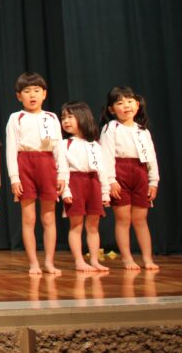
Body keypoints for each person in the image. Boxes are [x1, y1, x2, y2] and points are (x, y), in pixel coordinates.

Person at [5, 73, 68, 275]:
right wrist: (14, 177)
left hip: (47, 164)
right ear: (19, 96)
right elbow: (11, 149)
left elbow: (59, 148)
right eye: (27, 91)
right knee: (28, 218)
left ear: (44, 94)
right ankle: (33, 262)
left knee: (48, 217)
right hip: (25, 163)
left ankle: (49, 261)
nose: (32, 95)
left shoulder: (52, 117)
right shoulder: (16, 118)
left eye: (36, 90)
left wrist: (62, 174)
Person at [100, 86, 159, 271]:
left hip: (140, 173)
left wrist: (153, 181)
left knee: (141, 219)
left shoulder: (143, 131)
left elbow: (151, 157)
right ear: (111, 109)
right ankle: (126, 258)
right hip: (120, 172)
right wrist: (111, 180)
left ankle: (147, 258)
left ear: (137, 104)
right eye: (120, 103)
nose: (126, 106)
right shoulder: (111, 128)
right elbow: (106, 155)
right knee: (123, 218)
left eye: (129, 101)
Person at [60, 101, 110, 273]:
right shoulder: (64, 144)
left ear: (82, 117)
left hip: (94, 182)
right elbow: (62, 169)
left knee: (93, 224)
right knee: (76, 224)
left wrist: (105, 192)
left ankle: (94, 260)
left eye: (70, 117)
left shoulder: (95, 145)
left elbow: (102, 169)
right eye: (63, 118)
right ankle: (79, 261)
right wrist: (65, 190)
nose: (66, 121)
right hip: (75, 182)